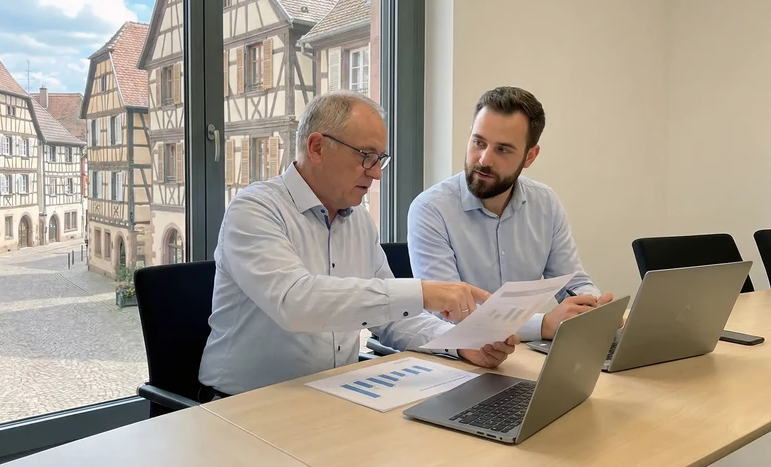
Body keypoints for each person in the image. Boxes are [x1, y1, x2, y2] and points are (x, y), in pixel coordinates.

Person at [198, 92, 520, 399]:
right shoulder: (255, 209)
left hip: (332, 397)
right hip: (242, 405)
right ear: (317, 147)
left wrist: (462, 344)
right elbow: (295, 303)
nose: (377, 174)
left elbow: (394, 317)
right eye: (366, 156)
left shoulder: (359, 222)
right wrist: (423, 292)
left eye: (380, 159)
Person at [408, 86, 614, 342]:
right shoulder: (431, 209)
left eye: (502, 149)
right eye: (478, 142)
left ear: (530, 156)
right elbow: (450, 312)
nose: (484, 159)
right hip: (460, 359)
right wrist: (544, 325)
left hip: (524, 353)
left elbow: (571, 281)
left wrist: (593, 306)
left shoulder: (545, 203)